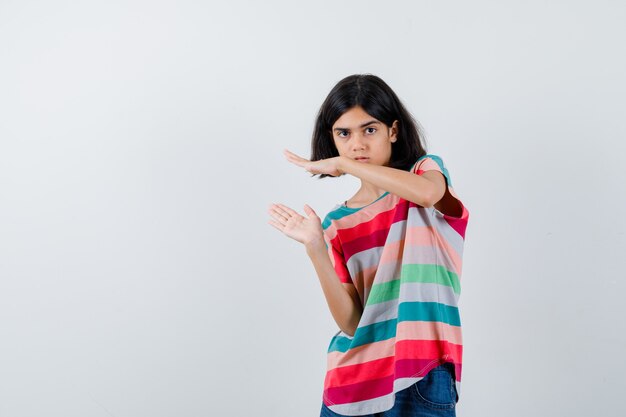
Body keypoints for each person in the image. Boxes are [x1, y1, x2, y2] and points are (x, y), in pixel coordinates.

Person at [267, 74, 469, 417]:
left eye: (369, 130)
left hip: (420, 370)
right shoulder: (337, 223)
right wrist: (316, 248)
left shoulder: (425, 173)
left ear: (393, 131)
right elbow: (351, 323)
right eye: (343, 134)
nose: (357, 143)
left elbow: (429, 194)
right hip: (350, 381)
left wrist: (344, 163)